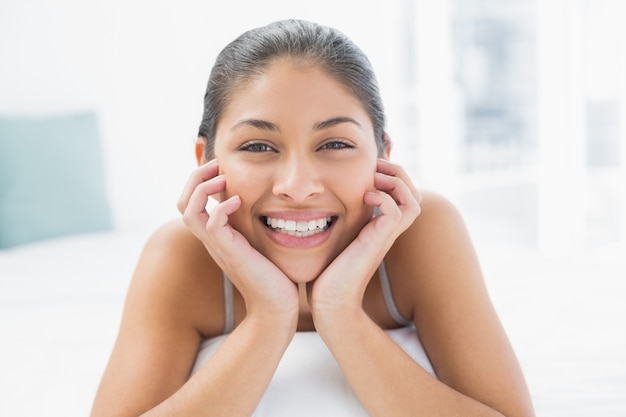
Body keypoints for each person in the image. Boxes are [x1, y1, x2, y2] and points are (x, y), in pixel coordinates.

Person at [90, 19, 535, 417]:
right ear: (207, 160)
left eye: (335, 144)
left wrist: (340, 312)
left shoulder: (423, 233)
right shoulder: (181, 256)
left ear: (382, 156)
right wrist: (269, 316)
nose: (298, 186)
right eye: (258, 147)